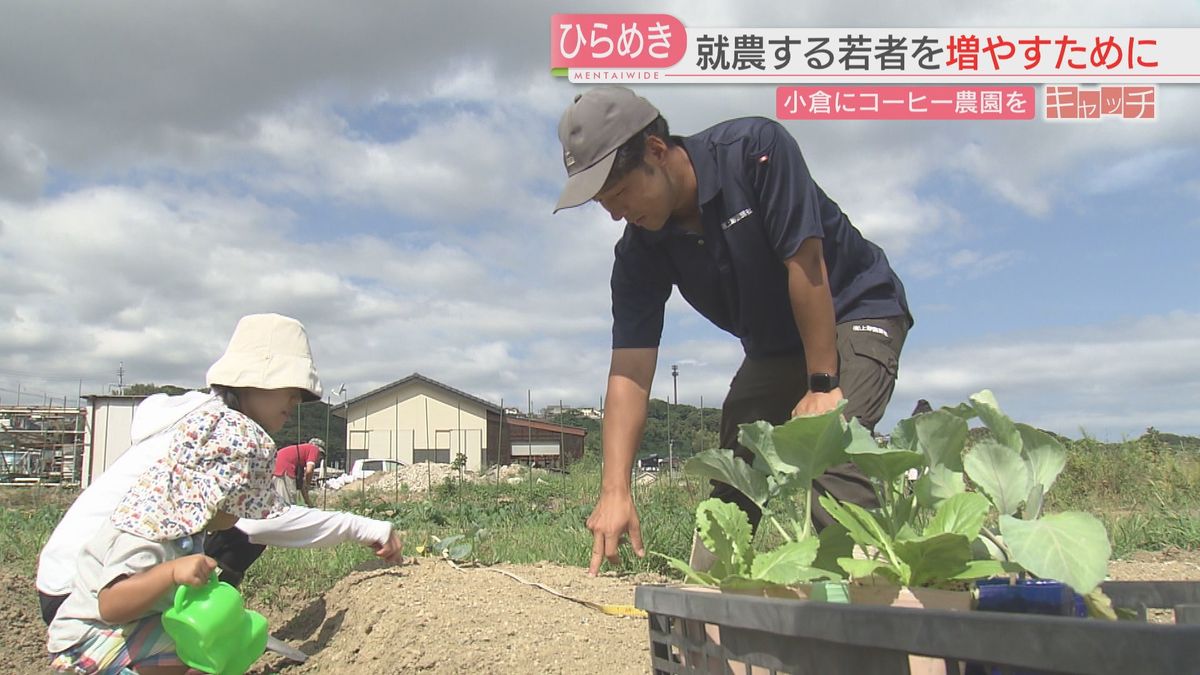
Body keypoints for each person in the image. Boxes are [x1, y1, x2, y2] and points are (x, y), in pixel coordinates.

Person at [553, 86, 913, 576]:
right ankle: (709, 604)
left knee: (833, 446)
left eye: (617, 193)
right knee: (735, 467)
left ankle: (866, 603)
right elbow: (630, 371)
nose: (615, 213)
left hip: (852, 306)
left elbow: (805, 262)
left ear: (656, 152)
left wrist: (823, 384)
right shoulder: (640, 251)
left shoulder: (755, 152)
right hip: (774, 346)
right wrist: (615, 489)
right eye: (602, 202)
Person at [37, 314, 403, 628]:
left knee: (235, 529)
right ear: (253, 380)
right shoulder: (219, 434)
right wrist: (365, 526)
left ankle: (193, 624)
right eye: (290, 389)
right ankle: (190, 631)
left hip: (72, 577)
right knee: (241, 532)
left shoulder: (198, 418)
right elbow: (260, 522)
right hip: (89, 592)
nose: (294, 402)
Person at [273, 437, 324, 507]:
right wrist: (308, 484)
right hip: (284, 470)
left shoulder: (299, 459)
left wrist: (309, 503)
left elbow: (302, 486)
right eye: (321, 456)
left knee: (278, 501)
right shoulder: (314, 449)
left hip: (275, 466)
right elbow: (309, 470)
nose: (318, 459)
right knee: (288, 503)